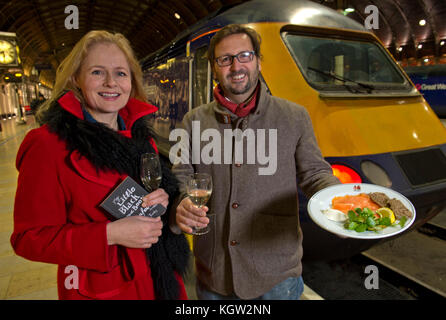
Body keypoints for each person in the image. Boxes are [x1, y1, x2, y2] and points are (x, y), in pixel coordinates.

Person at [11, 30, 190, 300]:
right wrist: (109, 234)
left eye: (120, 73)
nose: (111, 83)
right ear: (76, 80)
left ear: (131, 81)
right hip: (104, 290)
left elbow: (149, 207)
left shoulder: (143, 139)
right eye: (97, 72)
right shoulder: (47, 145)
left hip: (160, 281)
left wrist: (166, 205)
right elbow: (28, 238)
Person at [171, 24, 341, 300]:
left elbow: (314, 173)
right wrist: (181, 205)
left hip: (276, 276)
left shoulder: (294, 116)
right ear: (214, 68)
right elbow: (180, 176)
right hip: (214, 272)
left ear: (259, 62)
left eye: (245, 56)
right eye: (225, 59)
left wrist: (339, 202)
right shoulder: (194, 121)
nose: (236, 66)